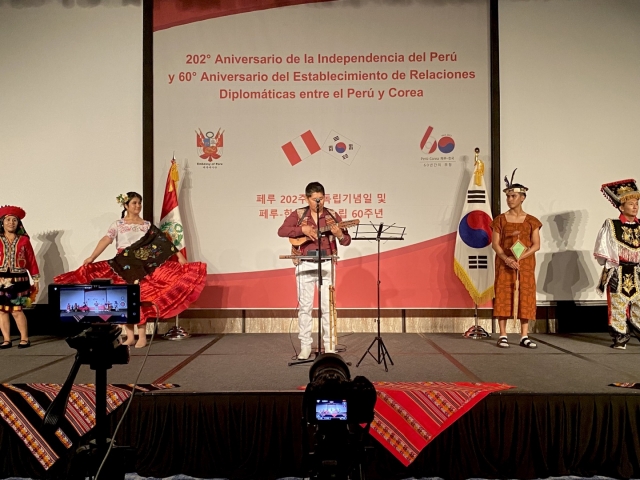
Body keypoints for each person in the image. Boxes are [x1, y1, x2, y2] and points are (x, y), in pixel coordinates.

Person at [54, 192, 207, 348]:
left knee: (140, 298)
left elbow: (163, 242)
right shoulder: (118, 224)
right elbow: (106, 240)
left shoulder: (146, 225)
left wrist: (179, 256)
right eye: (134, 203)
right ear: (126, 205)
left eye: (139, 203)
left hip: (143, 267)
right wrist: (92, 257)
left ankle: (142, 336)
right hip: (123, 265)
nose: (138, 206)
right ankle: (129, 336)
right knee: (124, 300)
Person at [278, 182, 351, 359]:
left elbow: (346, 240)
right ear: (307, 198)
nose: (318, 202)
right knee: (305, 307)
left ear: (324, 197)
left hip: (326, 262)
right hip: (304, 262)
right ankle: (305, 346)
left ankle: (329, 345)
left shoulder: (332, 216)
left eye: (321, 198)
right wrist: (301, 229)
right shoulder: (299, 214)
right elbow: (282, 231)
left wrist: (339, 234)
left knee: (327, 306)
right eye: (314, 199)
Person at [491, 171, 542, 349]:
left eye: (513, 196)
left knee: (525, 295)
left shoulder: (532, 221)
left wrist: (521, 256)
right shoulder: (500, 220)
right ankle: (503, 334)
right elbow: (495, 244)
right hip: (505, 264)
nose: (510, 199)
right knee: (504, 294)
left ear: (522, 198)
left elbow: (536, 245)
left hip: (525, 264)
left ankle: (524, 335)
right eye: (508, 196)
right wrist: (506, 259)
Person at [594, 179, 640, 349]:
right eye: (631, 204)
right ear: (621, 207)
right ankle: (620, 337)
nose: (635, 207)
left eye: (636, 204)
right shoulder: (611, 225)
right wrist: (610, 267)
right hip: (618, 270)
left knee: (639, 303)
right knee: (617, 303)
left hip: (638, 271)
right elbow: (604, 249)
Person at [0, 205, 39, 349]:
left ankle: (24, 338)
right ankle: (6, 339)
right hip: (0, 279)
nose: (11, 222)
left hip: (19, 280)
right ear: (2, 222)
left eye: (14, 220)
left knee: (17, 310)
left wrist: (36, 279)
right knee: (2, 310)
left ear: (18, 223)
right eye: (8, 219)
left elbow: (31, 260)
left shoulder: (24, 240)